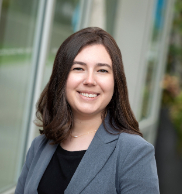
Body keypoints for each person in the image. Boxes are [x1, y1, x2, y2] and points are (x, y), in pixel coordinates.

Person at [15, 27, 159, 194]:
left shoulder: (133, 152)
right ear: (61, 78)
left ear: (115, 82)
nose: (90, 80)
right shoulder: (39, 146)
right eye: (78, 68)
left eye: (102, 70)